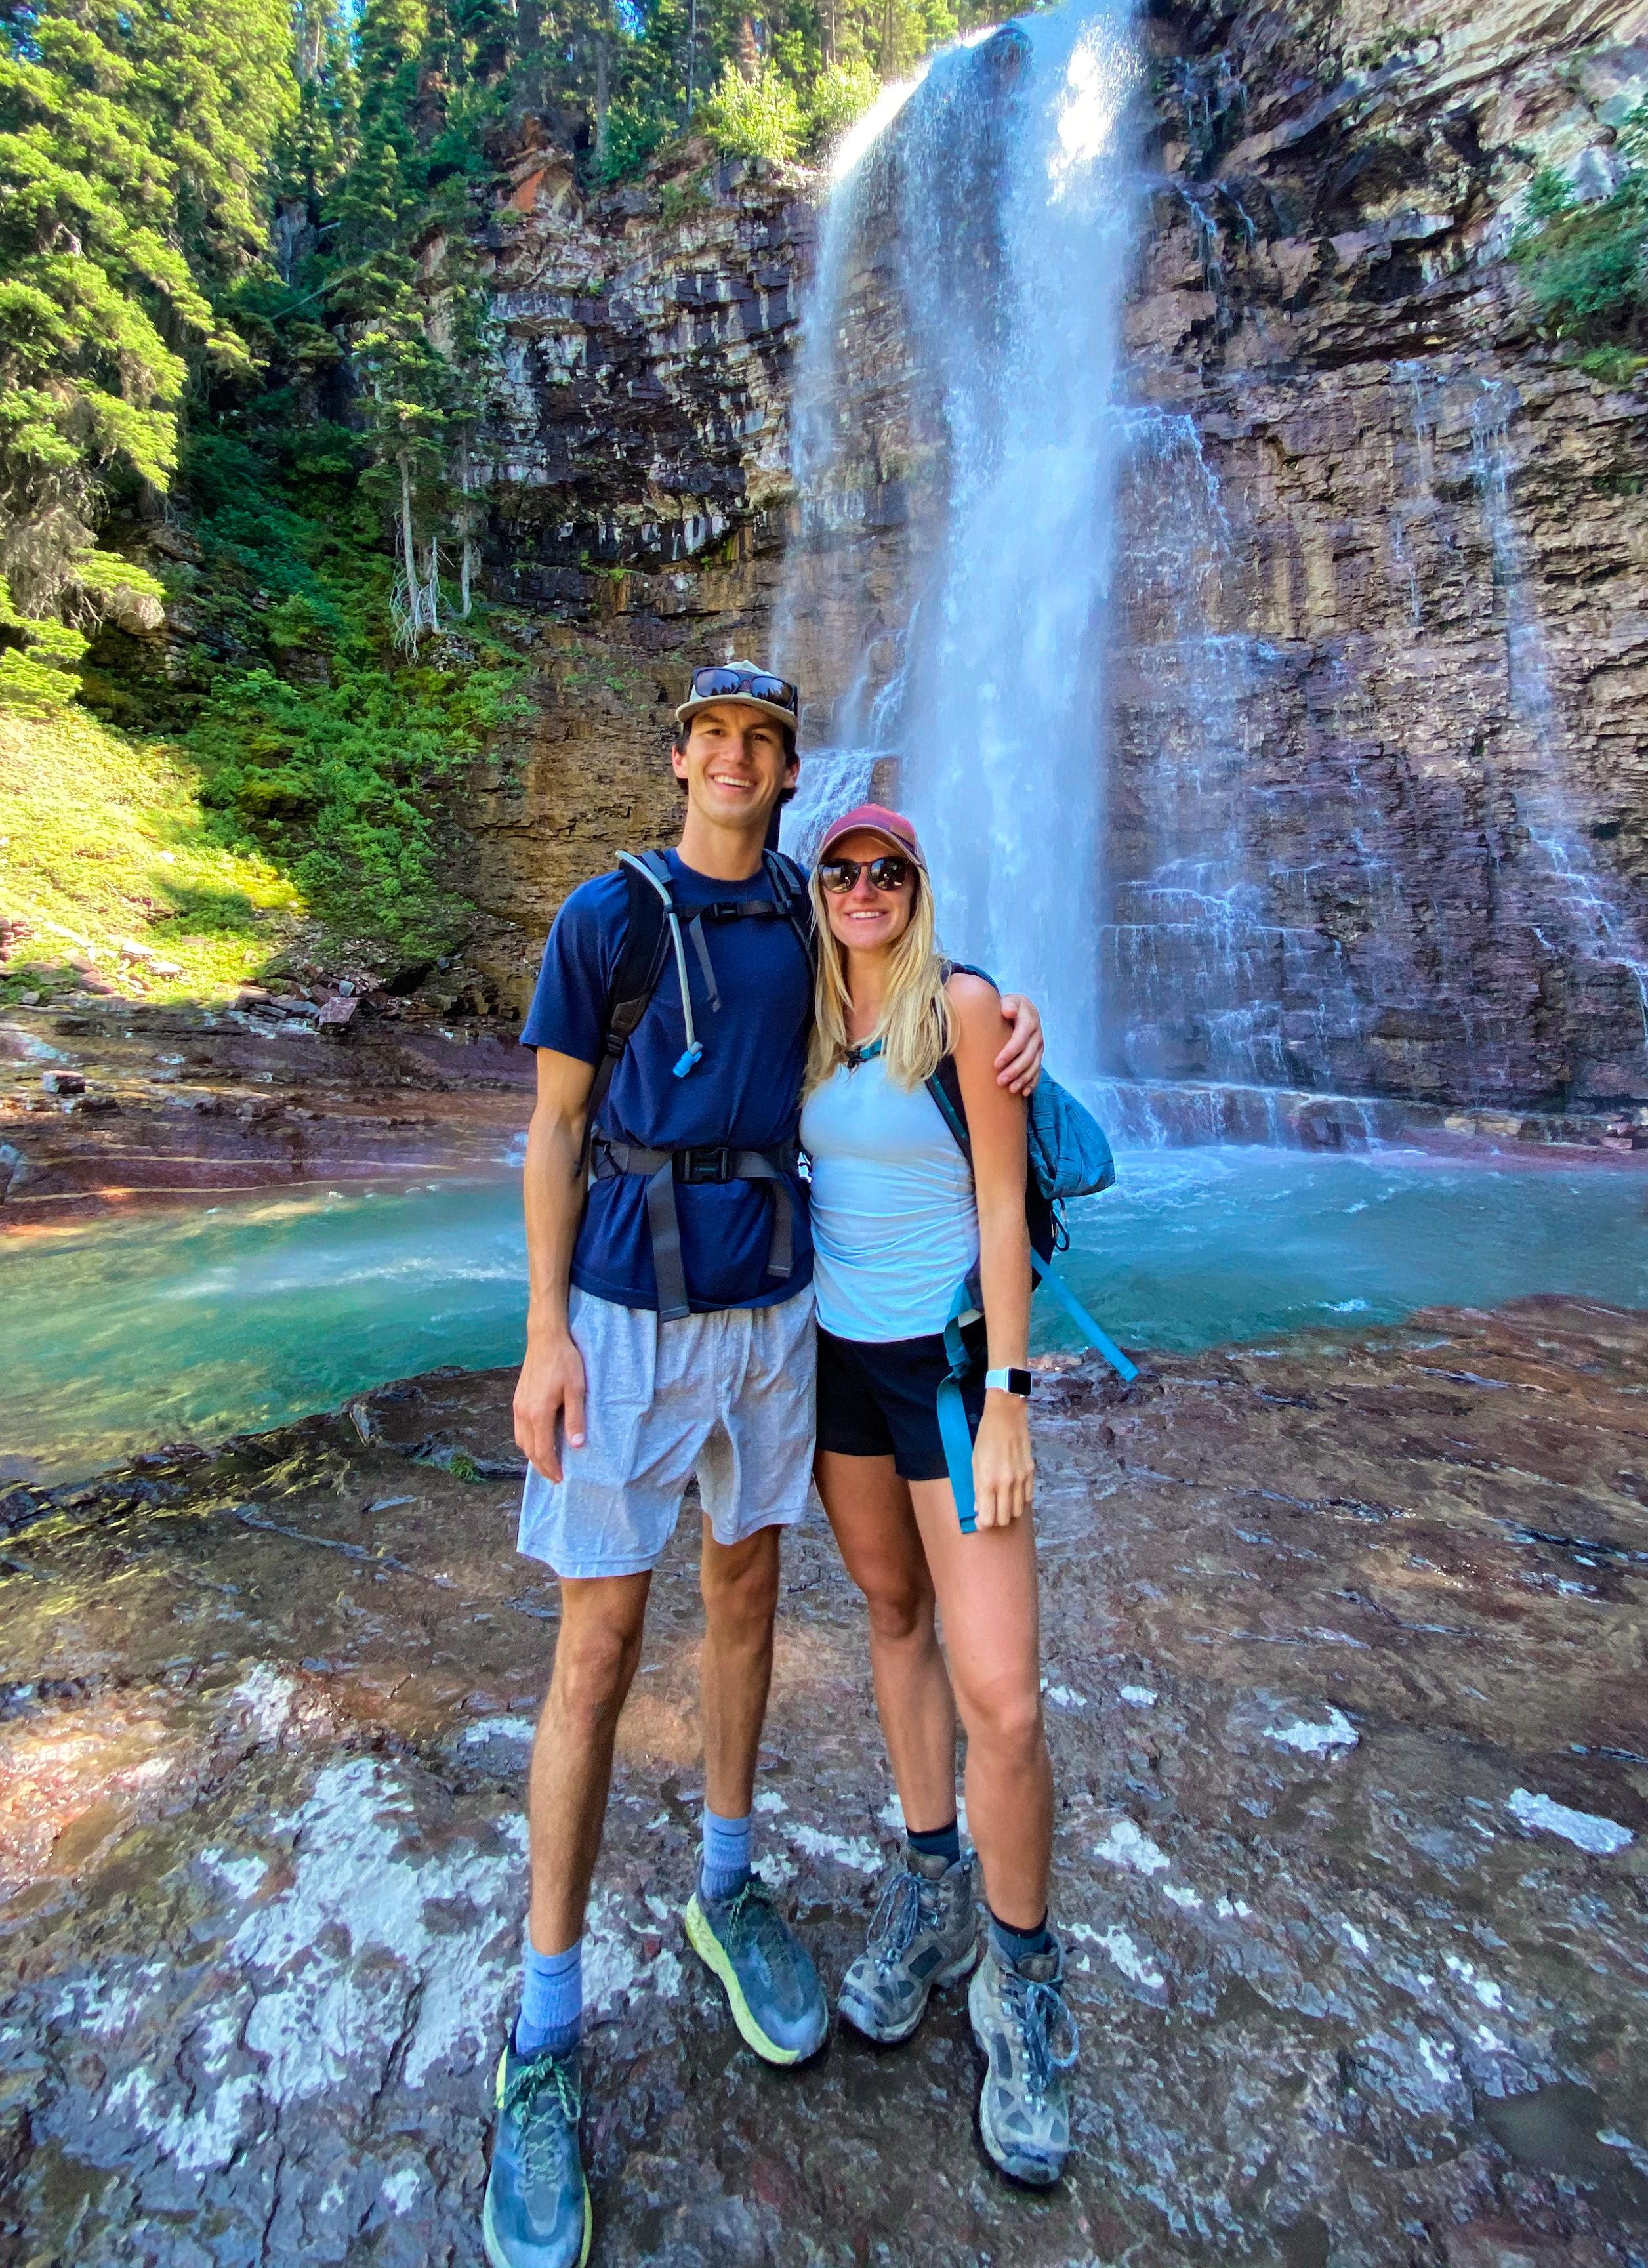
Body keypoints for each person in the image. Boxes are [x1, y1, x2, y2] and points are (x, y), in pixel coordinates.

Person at [482, 668, 1044, 2268]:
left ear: (788, 777)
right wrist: (544, 1333)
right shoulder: (604, 919)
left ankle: (726, 1886)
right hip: (626, 1310)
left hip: (776, 1312)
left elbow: (918, 989)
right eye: (713, 739)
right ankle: (543, 2029)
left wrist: (1018, 1018)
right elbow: (551, 1127)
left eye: (763, 745)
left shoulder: (814, 912)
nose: (736, 762)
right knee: (595, 1651)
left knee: (746, 1606)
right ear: (678, 760)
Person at [799, 801, 1081, 2187]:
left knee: (1006, 1698)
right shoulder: (799, 1011)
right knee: (891, 1613)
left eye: (886, 871)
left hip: (954, 1368)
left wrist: (1014, 1393)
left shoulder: (963, 1007)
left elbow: (997, 1205)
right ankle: (932, 1891)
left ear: (919, 886)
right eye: (842, 871)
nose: (863, 889)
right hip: (838, 1370)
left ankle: (1022, 1977)